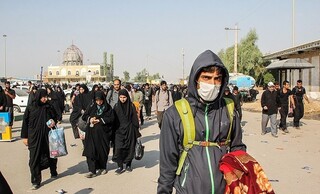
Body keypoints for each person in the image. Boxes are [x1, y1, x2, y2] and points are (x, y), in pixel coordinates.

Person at [157, 50, 246, 194]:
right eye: (206, 77)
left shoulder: (229, 110)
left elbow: (237, 147)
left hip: (224, 189)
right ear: (195, 80)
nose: (213, 83)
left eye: (218, 78)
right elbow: (167, 163)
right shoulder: (175, 114)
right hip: (188, 189)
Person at [20, 89, 58, 190]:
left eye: (46, 96)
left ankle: (53, 171)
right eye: (43, 97)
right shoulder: (31, 107)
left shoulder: (49, 106)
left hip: (48, 136)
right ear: (38, 96)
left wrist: (53, 122)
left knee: (51, 155)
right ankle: (36, 181)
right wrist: (24, 137)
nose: (45, 99)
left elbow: (56, 116)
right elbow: (25, 122)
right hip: (34, 137)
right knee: (34, 159)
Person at [82, 91, 114, 178]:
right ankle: (92, 170)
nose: (99, 102)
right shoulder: (92, 106)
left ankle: (102, 167)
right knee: (90, 151)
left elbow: (111, 118)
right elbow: (84, 116)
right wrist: (90, 119)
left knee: (102, 151)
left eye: (100, 100)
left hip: (103, 134)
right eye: (97, 100)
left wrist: (100, 120)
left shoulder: (107, 108)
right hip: (91, 133)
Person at [112, 89, 141, 174]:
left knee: (129, 148)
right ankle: (120, 166)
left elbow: (134, 119)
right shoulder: (116, 106)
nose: (122, 99)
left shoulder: (131, 106)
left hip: (129, 130)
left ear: (127, 97)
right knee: (118, 149)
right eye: (121, 97)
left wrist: (136, 131)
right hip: (119, 131)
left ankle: (128, 165)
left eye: (124, 97)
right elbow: (113, 119)